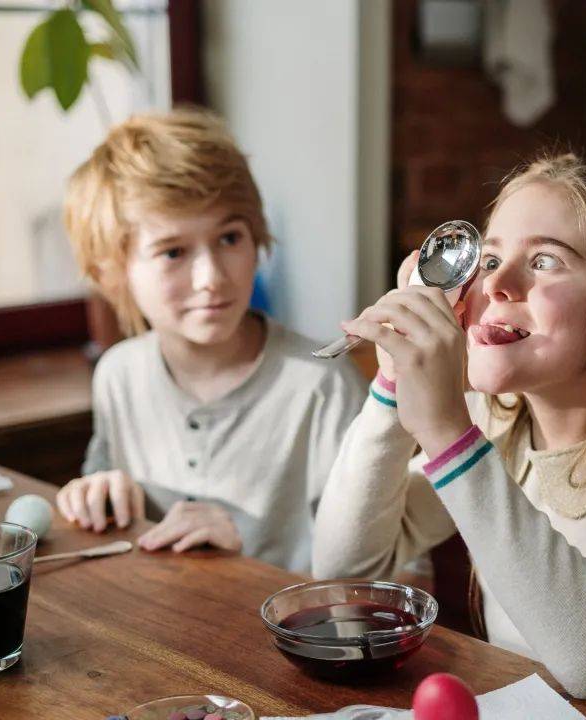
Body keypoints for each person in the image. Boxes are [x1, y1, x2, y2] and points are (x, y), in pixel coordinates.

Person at [312, 152, 586, 718]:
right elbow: (346, 571)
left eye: (547, 261)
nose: (498, 283)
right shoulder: (500, 424)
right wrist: (390, 386)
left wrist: (447, 434)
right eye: (491, 256)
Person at [56, 108, 366, 572]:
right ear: (111, 271)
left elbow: (392, 576)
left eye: (229, 238)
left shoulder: (324, 386)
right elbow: (107, 495)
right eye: (174, 252)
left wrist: (249, 549)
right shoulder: (118, 375)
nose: (212, 278)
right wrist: (96, 491)